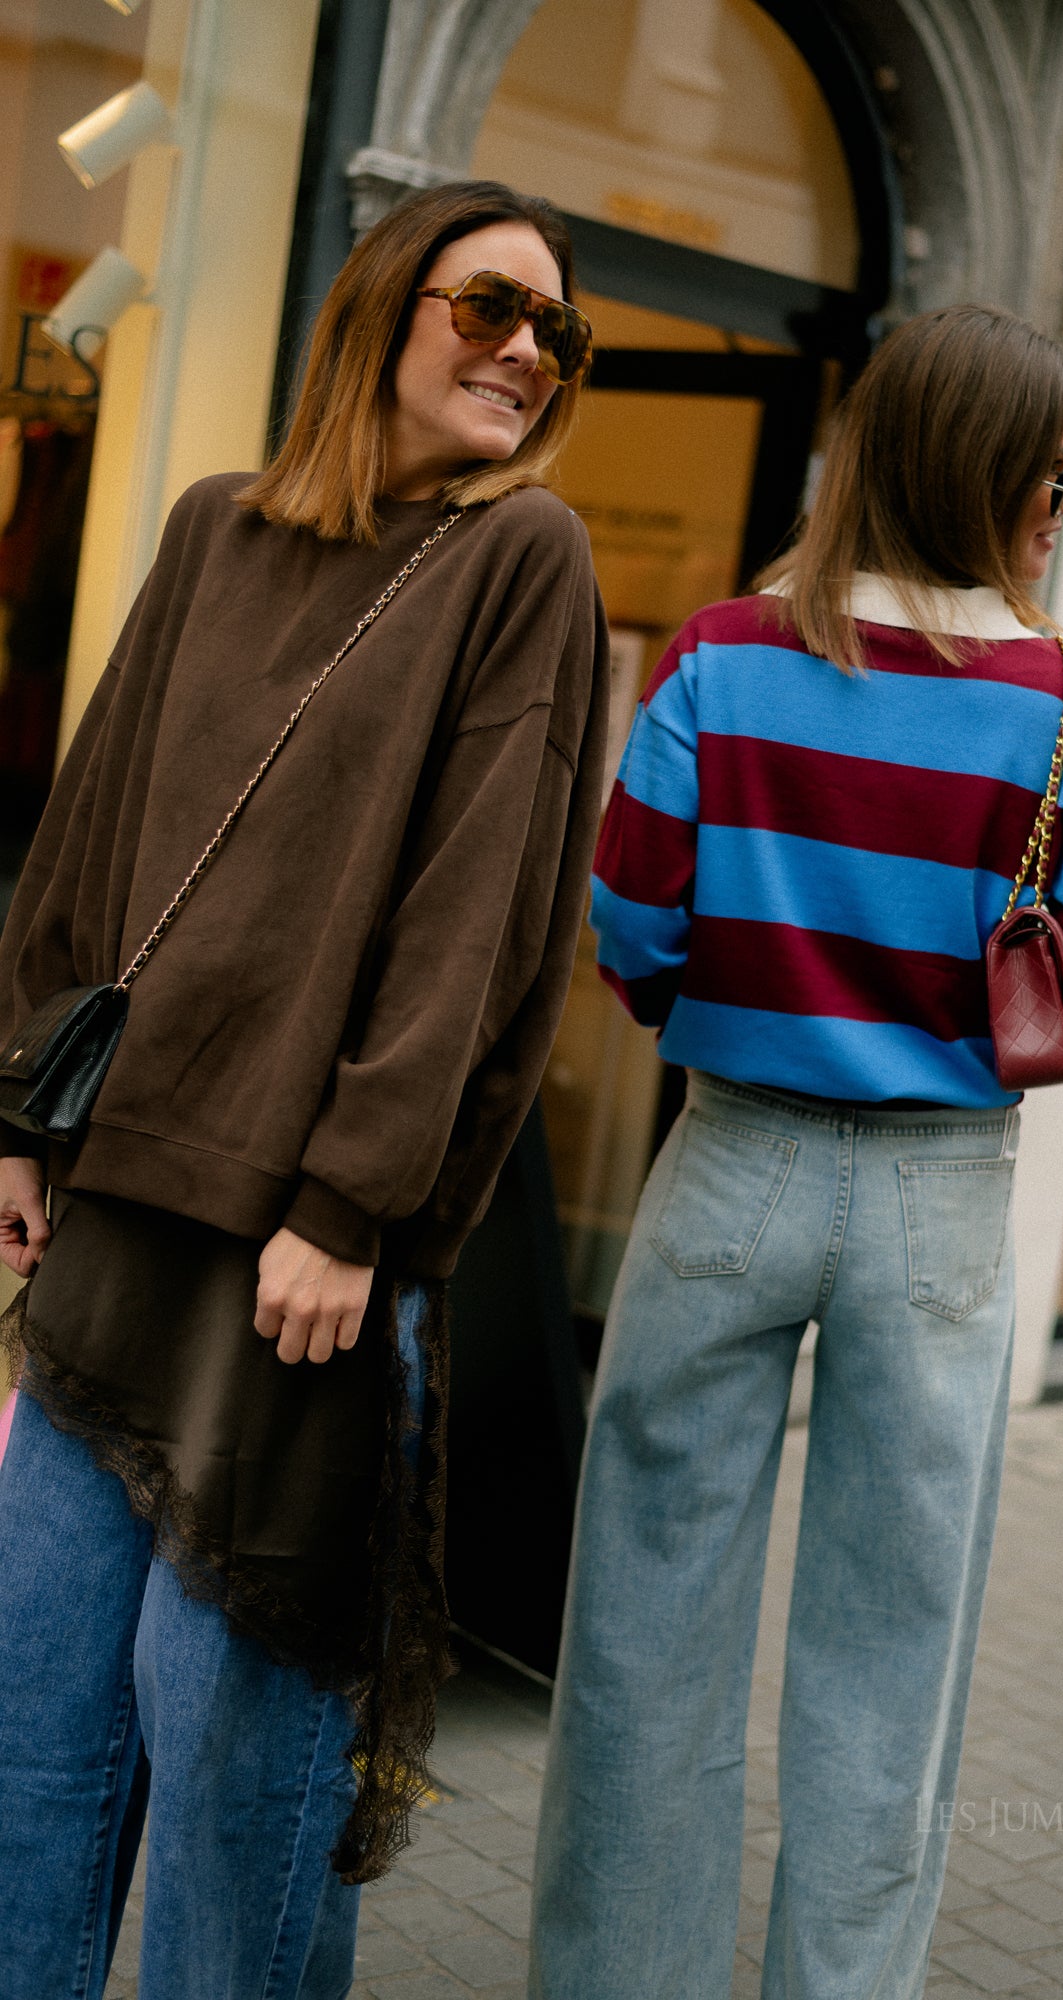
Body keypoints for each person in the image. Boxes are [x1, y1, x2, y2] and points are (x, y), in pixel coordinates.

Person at [0, 178, 607, 1999]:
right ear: (381, 309)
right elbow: (91, 828)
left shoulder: (522, 557)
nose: (525, 351)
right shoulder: (214, 528)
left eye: (557, 331)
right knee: (34, 1739)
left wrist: (348, 1203)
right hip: (117, 1215)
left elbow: (478, 923)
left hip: (298, 1268)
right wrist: (21, 1117)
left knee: (234, 1780)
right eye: (487, 307)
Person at [529, 304, 1063, 2000]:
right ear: (990, 476)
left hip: (730, 1160)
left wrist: (741, 992)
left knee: (643, 1621)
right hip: (936, 1200)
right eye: (1057, 470)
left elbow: (630, 928)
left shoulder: (720, 656)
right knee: (891, 1653)